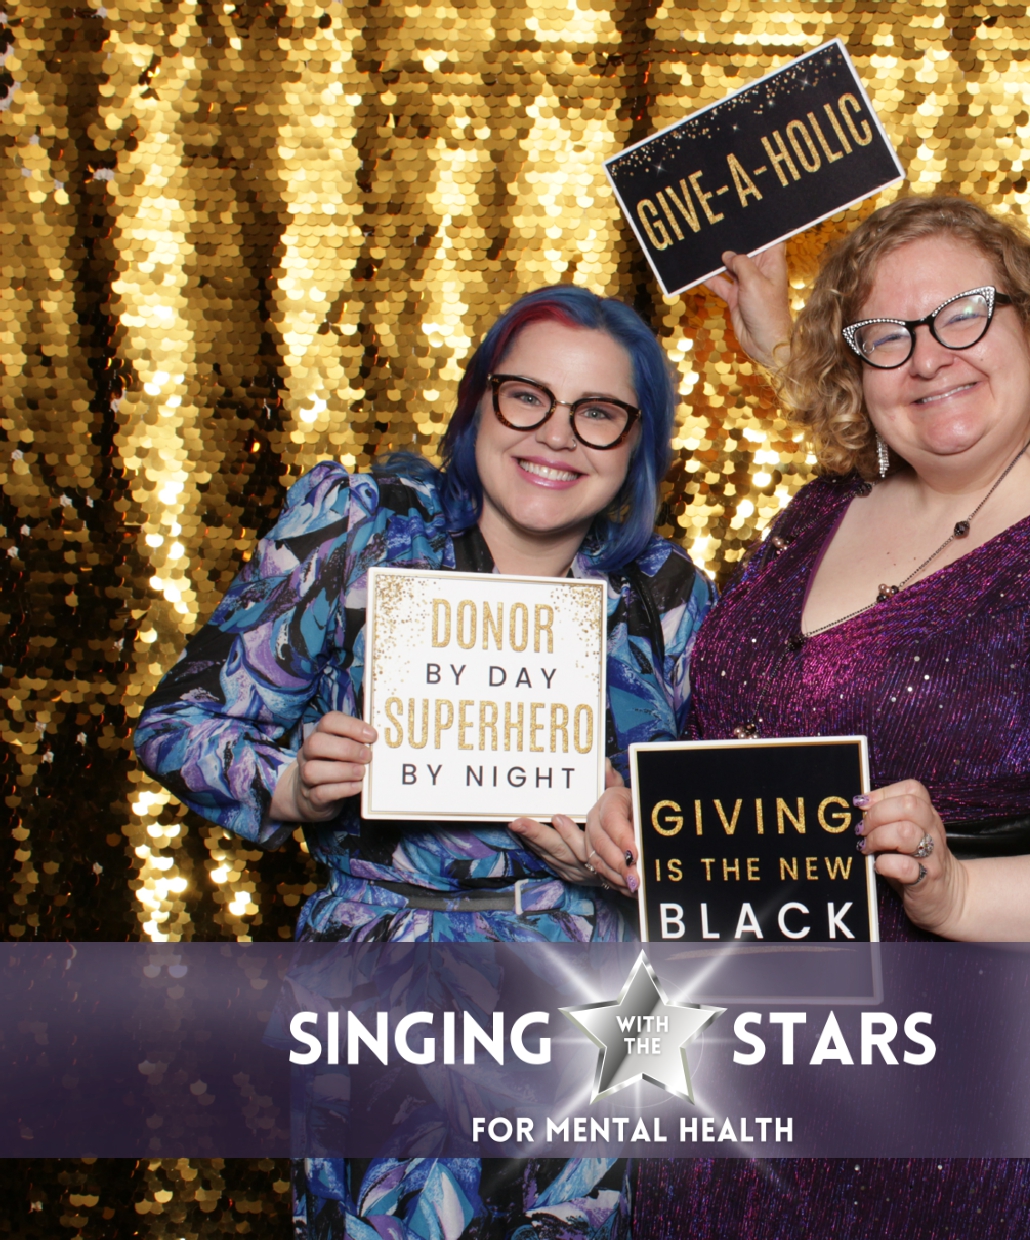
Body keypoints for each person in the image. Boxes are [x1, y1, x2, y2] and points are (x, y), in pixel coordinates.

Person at [579, 195, 1030, 1235]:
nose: (928, 356)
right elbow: (781, 723)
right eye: (886, 334)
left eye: (964, 315)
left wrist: (958, 892)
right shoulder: (831, 502)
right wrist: (650, 823)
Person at [132, 286, 712, 1240]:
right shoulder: (362, 528)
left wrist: (635, 845)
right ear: (479, 399)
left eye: (598, 413)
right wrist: (290, 784)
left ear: (637, 443)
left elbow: (718, 839)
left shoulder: (666, 594)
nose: (556, 435)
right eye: (527, 396)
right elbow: (178, 724)